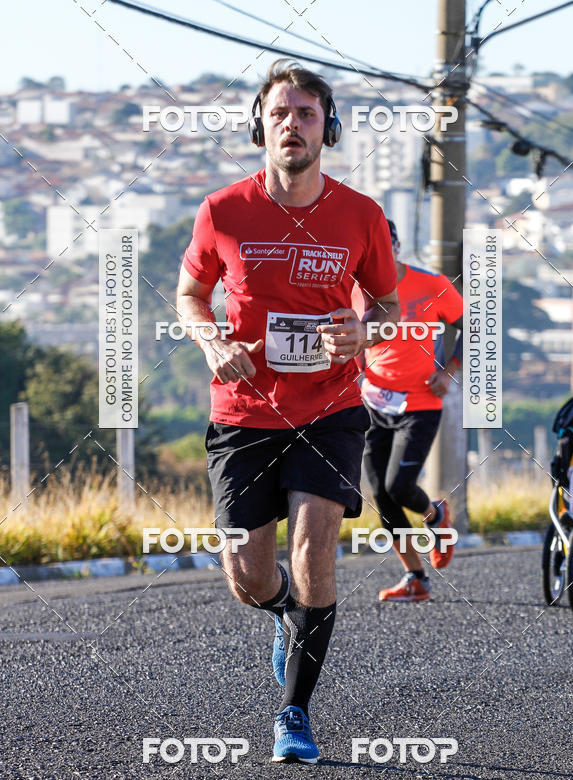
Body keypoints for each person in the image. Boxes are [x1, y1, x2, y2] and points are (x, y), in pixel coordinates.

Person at [176, 59, 399, 764]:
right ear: (259, 127)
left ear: (326, 129)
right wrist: (212, 340)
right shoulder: (222, 211)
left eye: (306, 114)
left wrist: (367, 332)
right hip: (244, 411)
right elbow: (189, 295)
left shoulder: (361, 215)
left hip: (330, 407)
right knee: (248, 573)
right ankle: (285, 615)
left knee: (314, 553)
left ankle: (294, 713)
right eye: (280, 114)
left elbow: (390, 306)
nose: (292, 125)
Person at [356, 220, 463, 602]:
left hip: (420, 403)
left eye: (388, 248)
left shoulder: (431, 284)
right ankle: (415, 578)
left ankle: (435, 514)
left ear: (398, 248)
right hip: (373, 402)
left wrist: (449, 371)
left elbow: (474, 325)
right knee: (381, 496)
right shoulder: (357, 290)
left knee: (398, 487)